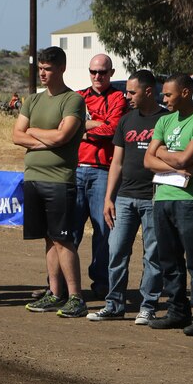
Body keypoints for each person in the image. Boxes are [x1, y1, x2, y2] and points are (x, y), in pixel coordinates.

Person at [12, 46, 87, 318]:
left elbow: (62, 138)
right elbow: (16, 136)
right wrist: (44, 135)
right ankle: (55, 293)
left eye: (48, 69)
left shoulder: (73, 100)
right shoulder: (32, 100)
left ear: (61, 69)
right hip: (33, 179)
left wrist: (32, 132)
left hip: (59, 180)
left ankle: (76, 296)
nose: (43, 73)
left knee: (63, 239)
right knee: (48, 238)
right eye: (40, 68)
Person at [88, 70, 166, 324]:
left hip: (154, 197)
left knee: (152, 255)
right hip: (124, 197)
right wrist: (109, 197)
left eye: (132, 92)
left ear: (148, 91)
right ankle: (114, 304)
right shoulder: (126, 120)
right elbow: (117, 163)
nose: (127, 96)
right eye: (127, 91)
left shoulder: (165, 119)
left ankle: (148, 306)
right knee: (116, 251)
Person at [143, 73, 193, 336]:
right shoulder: (164, 120)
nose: (163, 99)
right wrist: (171, 159)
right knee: (169, 260)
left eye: (168, 94)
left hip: (189, 201)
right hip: (162, 198)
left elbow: (188, 157)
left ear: (185, 93)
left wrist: (162, 153)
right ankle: (177, 311)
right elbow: (148, 161)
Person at [75, 54, 129, 297]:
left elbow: (113, 128)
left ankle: (101, 283)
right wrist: (96, 124)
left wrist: (82, 129)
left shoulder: (118, 97)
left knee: (104, 231)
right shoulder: (78, 97)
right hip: (75, 169)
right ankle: (61, 284)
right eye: (93, 72)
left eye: (103, 72)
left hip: (103, 172)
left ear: (111, 73)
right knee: (69, 231)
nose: (98, 76)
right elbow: (63, 125)